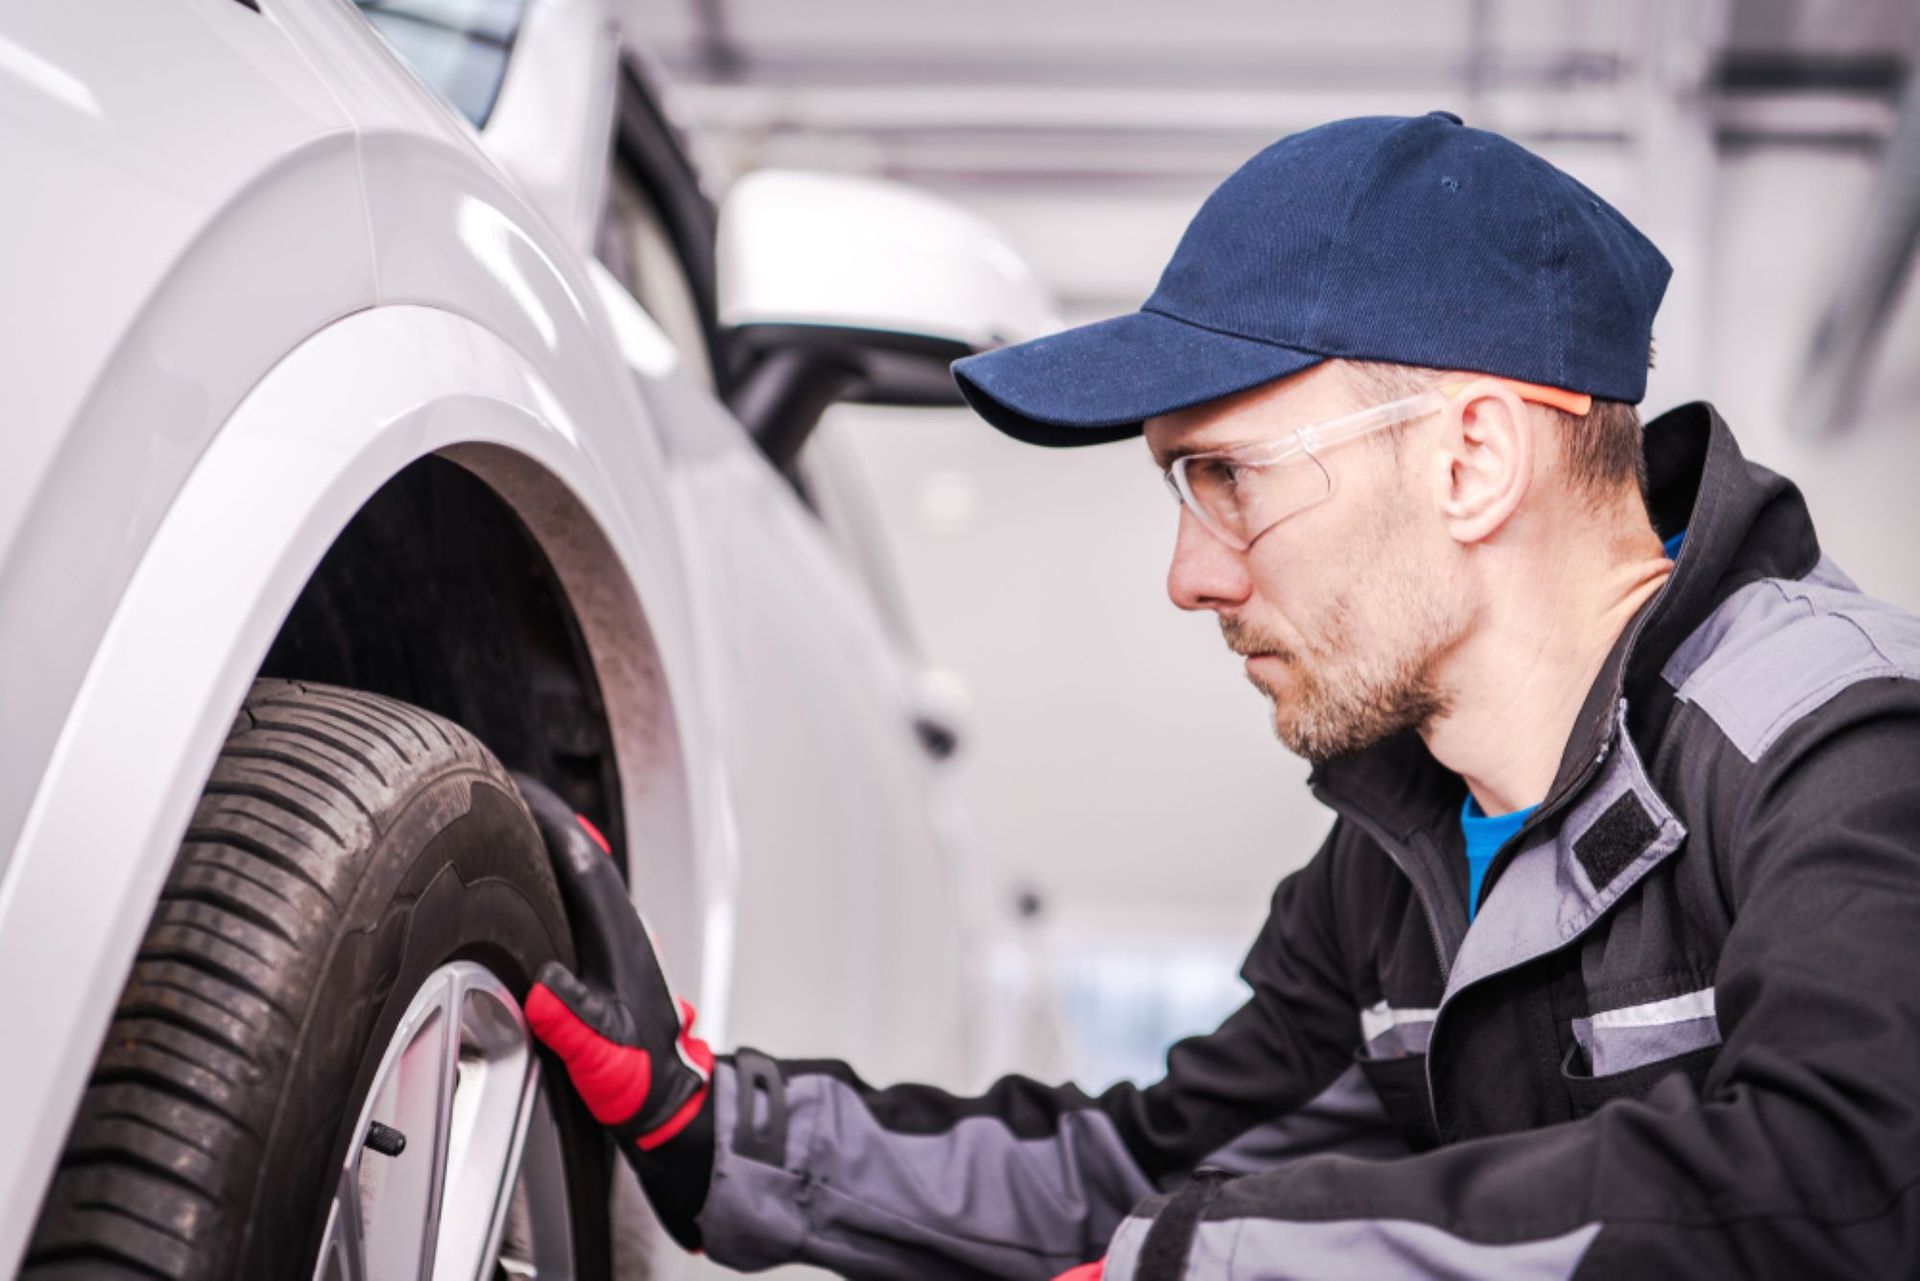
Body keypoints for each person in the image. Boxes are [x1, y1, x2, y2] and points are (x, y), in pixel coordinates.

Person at [521, 112, 1920, 1279]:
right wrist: (717, 1128)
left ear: (1473, 460)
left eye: (1229, 478)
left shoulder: (1842, 745)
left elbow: (1852, 1184)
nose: (1190, 577)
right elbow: (1141, 1173)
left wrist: (1223, 1263)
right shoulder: (1394, 865)